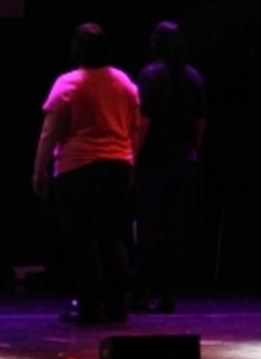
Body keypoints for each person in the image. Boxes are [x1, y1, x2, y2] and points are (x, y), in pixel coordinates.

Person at [33, 22, 140, 324]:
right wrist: (130, 163)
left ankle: (91, 307)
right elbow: (134, 128)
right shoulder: (124, 82)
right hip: (118, 167)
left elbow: (50, 132)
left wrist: (39, 170)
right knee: (112, 237)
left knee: (84, 239)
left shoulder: (69, 83)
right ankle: (117, 305)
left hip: (78, 170)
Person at [130, 21, 207, 314]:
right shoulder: (193, 77)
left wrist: (132, 157)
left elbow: (144, 121)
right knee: (174, 229)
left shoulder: (150, 75)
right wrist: (193, 150)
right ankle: (169, 295)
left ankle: (140, 294)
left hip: (154, 160)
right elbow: (201, 121)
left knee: (147, 228)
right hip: (183, 161)